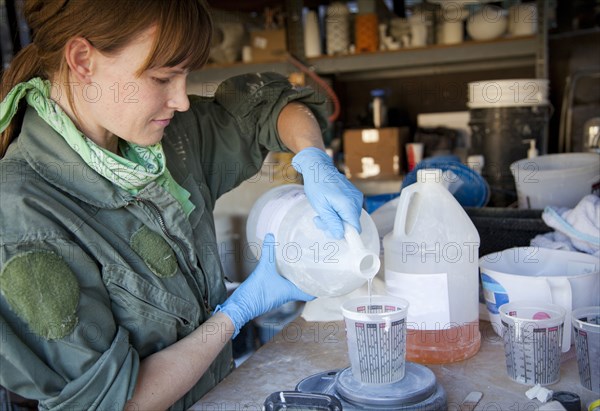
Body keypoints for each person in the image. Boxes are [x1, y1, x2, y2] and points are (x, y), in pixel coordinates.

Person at [0, 1, 364, 410]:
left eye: (185, 76)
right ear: (83, 60)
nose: (182, 100)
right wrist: (234, 315)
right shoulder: (24, 220)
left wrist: (313, 158)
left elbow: (271, 107)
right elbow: (114, 403)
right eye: (162, 78)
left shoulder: (166, 141)